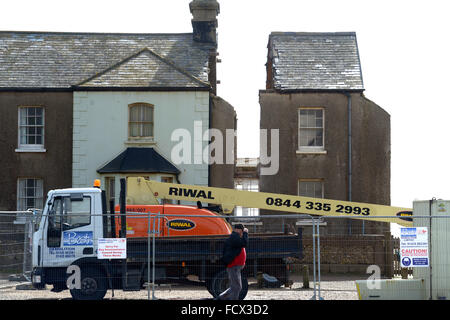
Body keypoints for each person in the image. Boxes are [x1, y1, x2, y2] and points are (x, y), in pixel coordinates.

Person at [217, 223, 249, 300]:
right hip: (233, 266)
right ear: (238, 230)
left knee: (235, 287)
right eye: (241, 231)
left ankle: (220, 298)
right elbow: (244, 243)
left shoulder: (236, 237)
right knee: (237, 287)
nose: (242, 233)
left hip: (235, 266)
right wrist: (245, 233)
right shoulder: (234, 237)